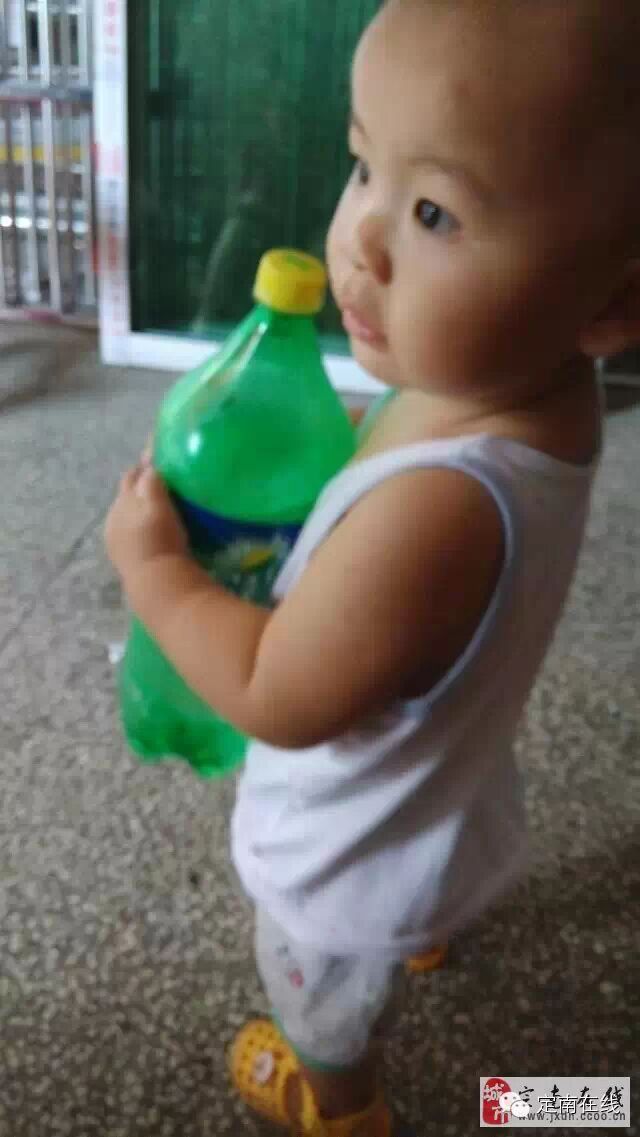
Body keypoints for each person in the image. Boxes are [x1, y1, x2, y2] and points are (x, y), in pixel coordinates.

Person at [105, 1, 640, 1132]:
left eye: (434, 211)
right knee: (414, 884)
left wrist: (154, 569)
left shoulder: (439, 513)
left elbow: (276, 692)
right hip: (443, 783)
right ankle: (437, 940)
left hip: (348, 864)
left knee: (322, 1003)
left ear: (611, 301)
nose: (359, 240)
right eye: (362, 168)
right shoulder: (524, 382)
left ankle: (351, 1104)